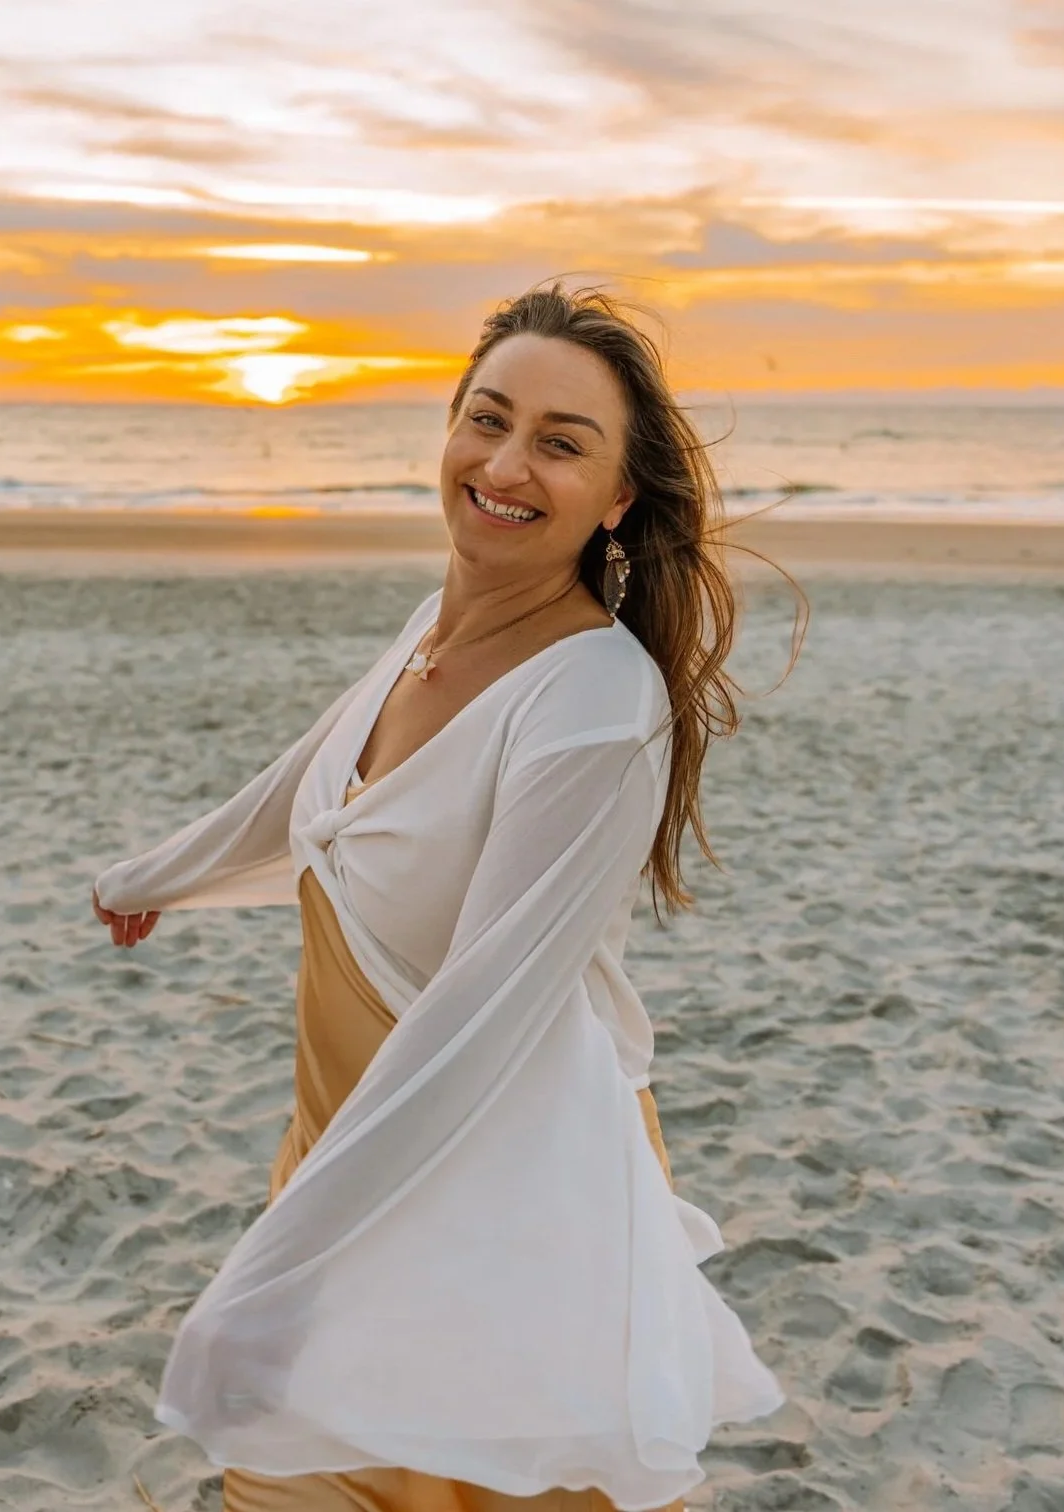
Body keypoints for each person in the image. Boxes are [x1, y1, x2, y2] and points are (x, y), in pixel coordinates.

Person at [92, 283, 787, 1512]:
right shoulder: (432, 626)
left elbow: (477, 1029)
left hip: (484, 1197)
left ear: (618, 498)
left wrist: (285, 1268)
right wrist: (157, 875)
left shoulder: (593, 709)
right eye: (488, 417)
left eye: (563, 444)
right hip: (348, 1150)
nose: (506, 464)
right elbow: (316, 780)